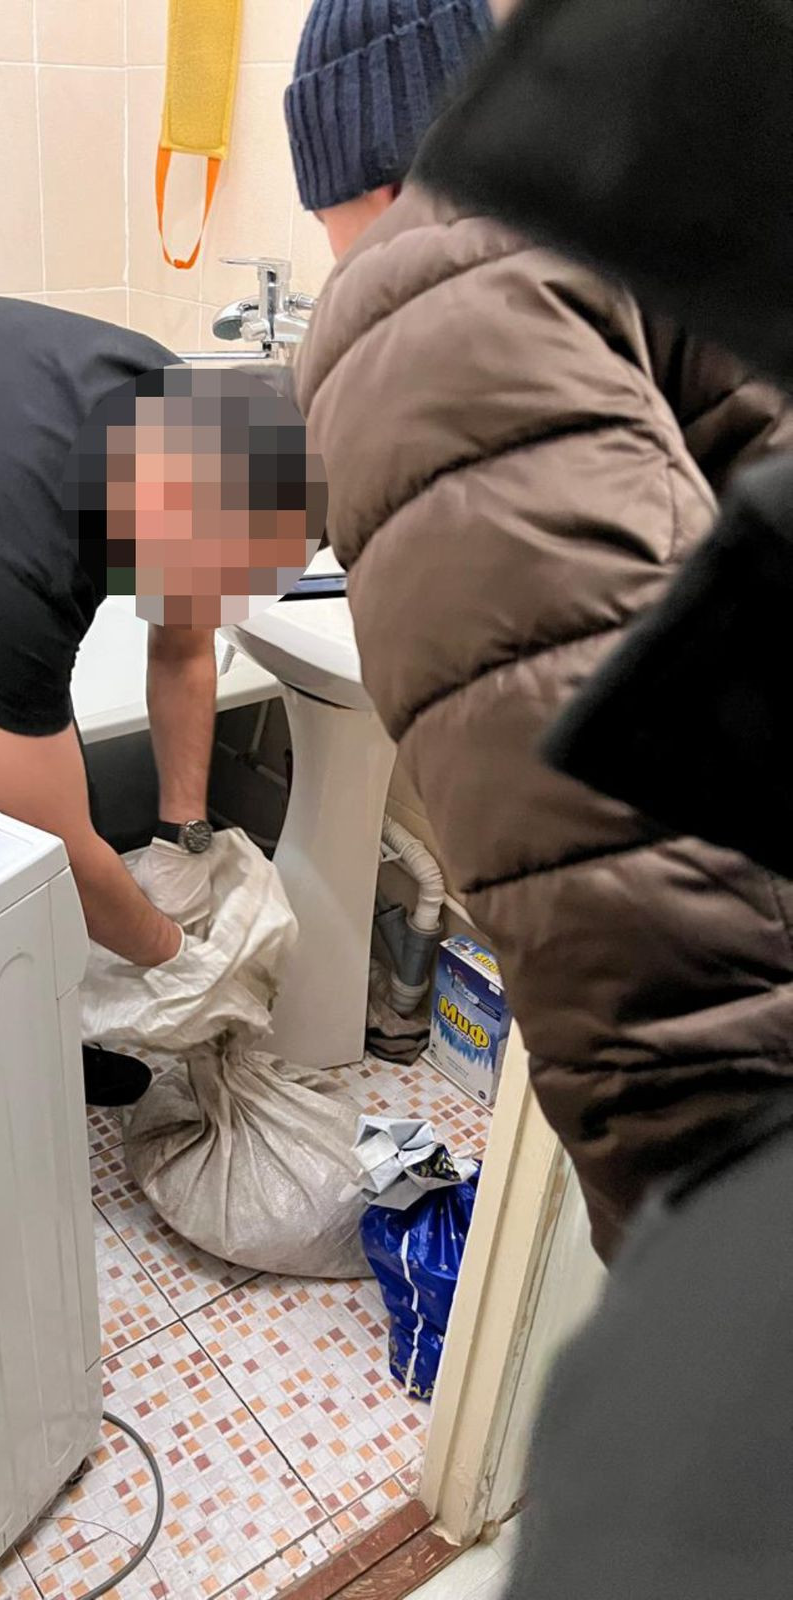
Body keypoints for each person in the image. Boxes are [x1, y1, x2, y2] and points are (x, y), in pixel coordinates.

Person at [285, 0, 793, 1261]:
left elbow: (623, 910)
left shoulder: (414, 287)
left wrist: (710, 1274)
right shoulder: (659, 196)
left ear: (366, 167)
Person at [0, 298, 320, 1105]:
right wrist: (177, 963)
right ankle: (0, 1047)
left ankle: (64, 1006)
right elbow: (59, 846)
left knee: (49, 785)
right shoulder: (13, 572)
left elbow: (183, 647)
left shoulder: (180, 414)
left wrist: (183, 837)